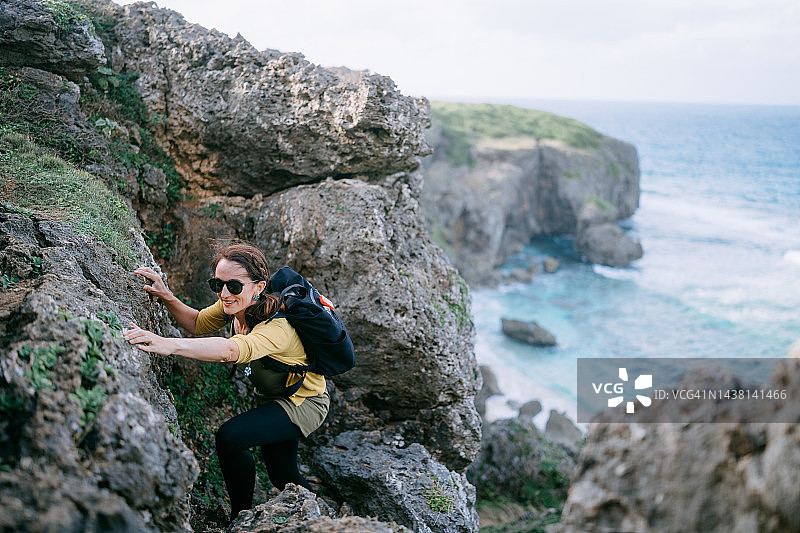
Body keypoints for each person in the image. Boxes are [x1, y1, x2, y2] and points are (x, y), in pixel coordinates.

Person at [123, 243, 330, 522]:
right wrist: (167, 297)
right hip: (273, 396)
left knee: (231, 438)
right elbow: (197, 322)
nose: (223, 293)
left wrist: (169, 344)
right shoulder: (234, 305)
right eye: (217, 284)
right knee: (282, 473)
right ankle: (323, 520)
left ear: (259, 286)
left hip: (303, 401)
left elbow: (232, 350)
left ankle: (240, 518)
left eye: (233, 285)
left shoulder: (278, 327)